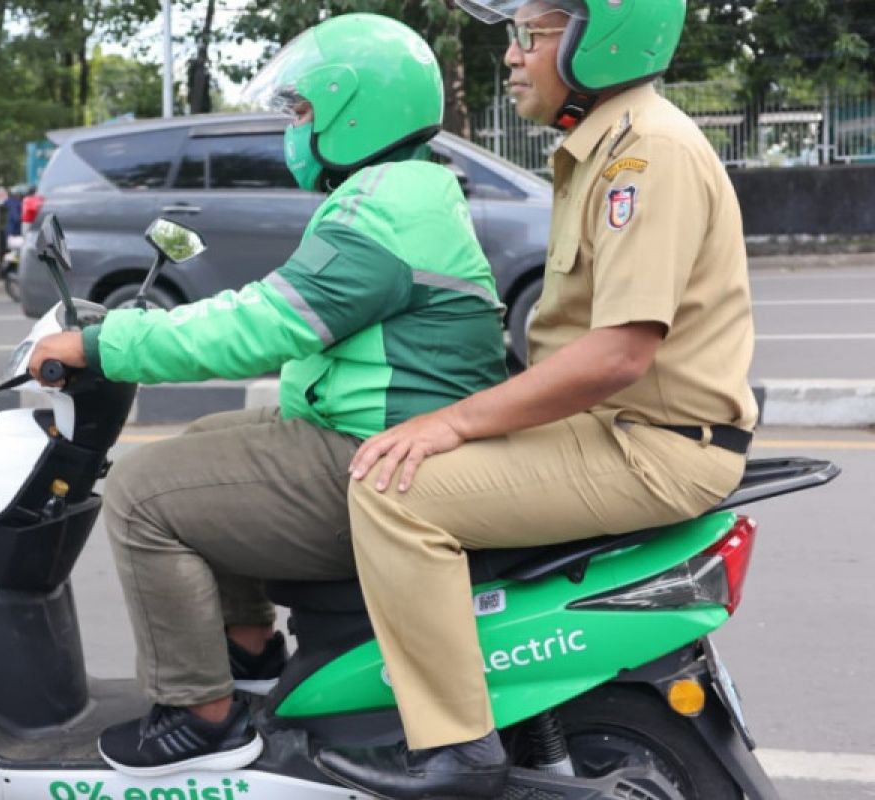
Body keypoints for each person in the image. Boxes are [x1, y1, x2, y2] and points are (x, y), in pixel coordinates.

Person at [27, 13, 509, 778]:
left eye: (301, 112)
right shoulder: (406, 191)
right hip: (381, 435)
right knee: (203, 446)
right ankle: (247, 653)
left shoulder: (382, 208)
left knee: (145, 496)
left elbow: (263, 324)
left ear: (355, 109)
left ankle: (200, 715)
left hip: (378, 458)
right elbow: (277, 314)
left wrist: (104, 344)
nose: (291, 129)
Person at [312, 2, 759, 798]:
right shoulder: (602, 148)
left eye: (535, 33)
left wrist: (451, 422)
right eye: (513, 35)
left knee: (392, 491)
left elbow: (619, 353)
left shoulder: (642, 154)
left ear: (603, 37)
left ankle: (456, 747)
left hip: (648, 445)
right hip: (624, 430)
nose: (514, 56)